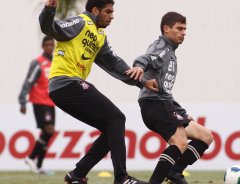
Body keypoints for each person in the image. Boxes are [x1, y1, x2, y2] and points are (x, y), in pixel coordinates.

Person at [39, 0, 157, 184]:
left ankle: (77, 175)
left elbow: (115, 64)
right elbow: (51, 28)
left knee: (112, 127)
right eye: (108, 11)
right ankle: (122, 178)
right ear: (95, 10)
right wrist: (49, 9)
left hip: (67, 88)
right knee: (117, 119)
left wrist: (142, 82)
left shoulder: (100, 35)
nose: (112, 16)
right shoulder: (80, 22)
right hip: (66, 83)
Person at [132, 12, 214, 184]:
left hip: (165, 104)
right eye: (179, 28)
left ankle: (175, 172)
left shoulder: (170, 51)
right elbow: (145, 58)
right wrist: (139, 66)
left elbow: (166, 91)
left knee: (205, 136)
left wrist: (181, 113)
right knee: (180, 142)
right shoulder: (161, 47)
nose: (183, 32)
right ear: (166, 29)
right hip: (154, 103)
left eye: (185, 29)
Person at [18, 36, 55, 174]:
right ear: (43, 46)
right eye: (47, 45)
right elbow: (28, 82)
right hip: (39, 101)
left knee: (49, 133)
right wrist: (22, 101)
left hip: (50, 102)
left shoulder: (56, 62)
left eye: (52, 45)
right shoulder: (38, 63)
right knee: (49, 130)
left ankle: (39, 166)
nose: (50, 47)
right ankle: (31, 157)